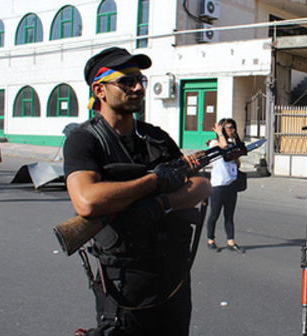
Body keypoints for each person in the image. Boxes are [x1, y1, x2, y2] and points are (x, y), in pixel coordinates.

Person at [64, 47, 211, 336]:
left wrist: (162, 203)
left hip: (173, 273)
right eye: (126, 81)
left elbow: (201, 184)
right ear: (100, 89)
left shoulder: (155, 137)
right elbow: (86, 201)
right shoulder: (85, 141)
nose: (137, 87)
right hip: (126, 279)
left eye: (140, 80)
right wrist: (153, 182)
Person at [205, 118, 245, 253]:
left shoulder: (232, 144)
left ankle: (231, 241)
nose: (231, 130)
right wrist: (219, 133)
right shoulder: (214, 143)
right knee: (214, 214)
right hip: (218, 184)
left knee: (229, 215)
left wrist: (237, 154)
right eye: (228, 127)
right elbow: (222, 146)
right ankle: (210, 239)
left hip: (231, 183)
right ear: (222, 129)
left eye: (233, 128)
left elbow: (237, 164)